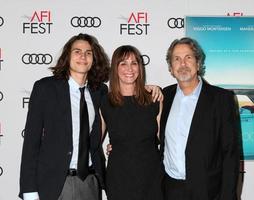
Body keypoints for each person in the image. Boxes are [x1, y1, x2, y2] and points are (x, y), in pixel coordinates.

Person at [19, 33, 109, 200]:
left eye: (88, 52)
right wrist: (29, 191)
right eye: (77, 51)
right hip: (54, 185)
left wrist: (147, 89)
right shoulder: (45, 89)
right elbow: (31, 142)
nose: (83, 56)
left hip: (89, 182)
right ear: (67, 56)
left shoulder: (100, 92)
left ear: (94, 59)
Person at [160, 37, 240, 200]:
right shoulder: (164, 96)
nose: (182, 64)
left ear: (198, 63)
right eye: (176, 59)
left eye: (188, 57)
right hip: (170, 189)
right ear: (170, 68)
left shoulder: (221, 99)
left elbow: (230, 154)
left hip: (208, 191)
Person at [99, 45, 163, 200]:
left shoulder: (154, 98)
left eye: (134, 63)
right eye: (123, 63)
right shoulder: (105, 102)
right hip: (119, 178)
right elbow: (94, 143)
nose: (130, 68)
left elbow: (164, 140)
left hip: (152, 177)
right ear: (115, 68)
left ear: (140, 67)